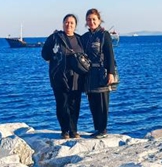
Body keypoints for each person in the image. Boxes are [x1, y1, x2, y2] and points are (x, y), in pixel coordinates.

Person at [41, 14, 86, 139]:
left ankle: (74, 130)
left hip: (76, 77)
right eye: (66, 22)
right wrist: (55, 56)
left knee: (75, 104)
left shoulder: (79, 39)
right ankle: (64, 130)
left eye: (71, 23)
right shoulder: (55, 37)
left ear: (75, 25)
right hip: (59, 77)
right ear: (63, 23)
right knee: (62, 104)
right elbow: (45, 54)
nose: (69, 25)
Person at [81, 8, 118, 139]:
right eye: (89, 20)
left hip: (102, 73)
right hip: (89, 74)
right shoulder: (84, 37)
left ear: (99, 20)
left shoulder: (104, 35)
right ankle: (97, 129)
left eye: (94, 19)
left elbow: (110, 55)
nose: (91, 22)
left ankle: (103, 129)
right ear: (86, 21)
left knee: (103, 103)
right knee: (93, 103)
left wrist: (111, 73)